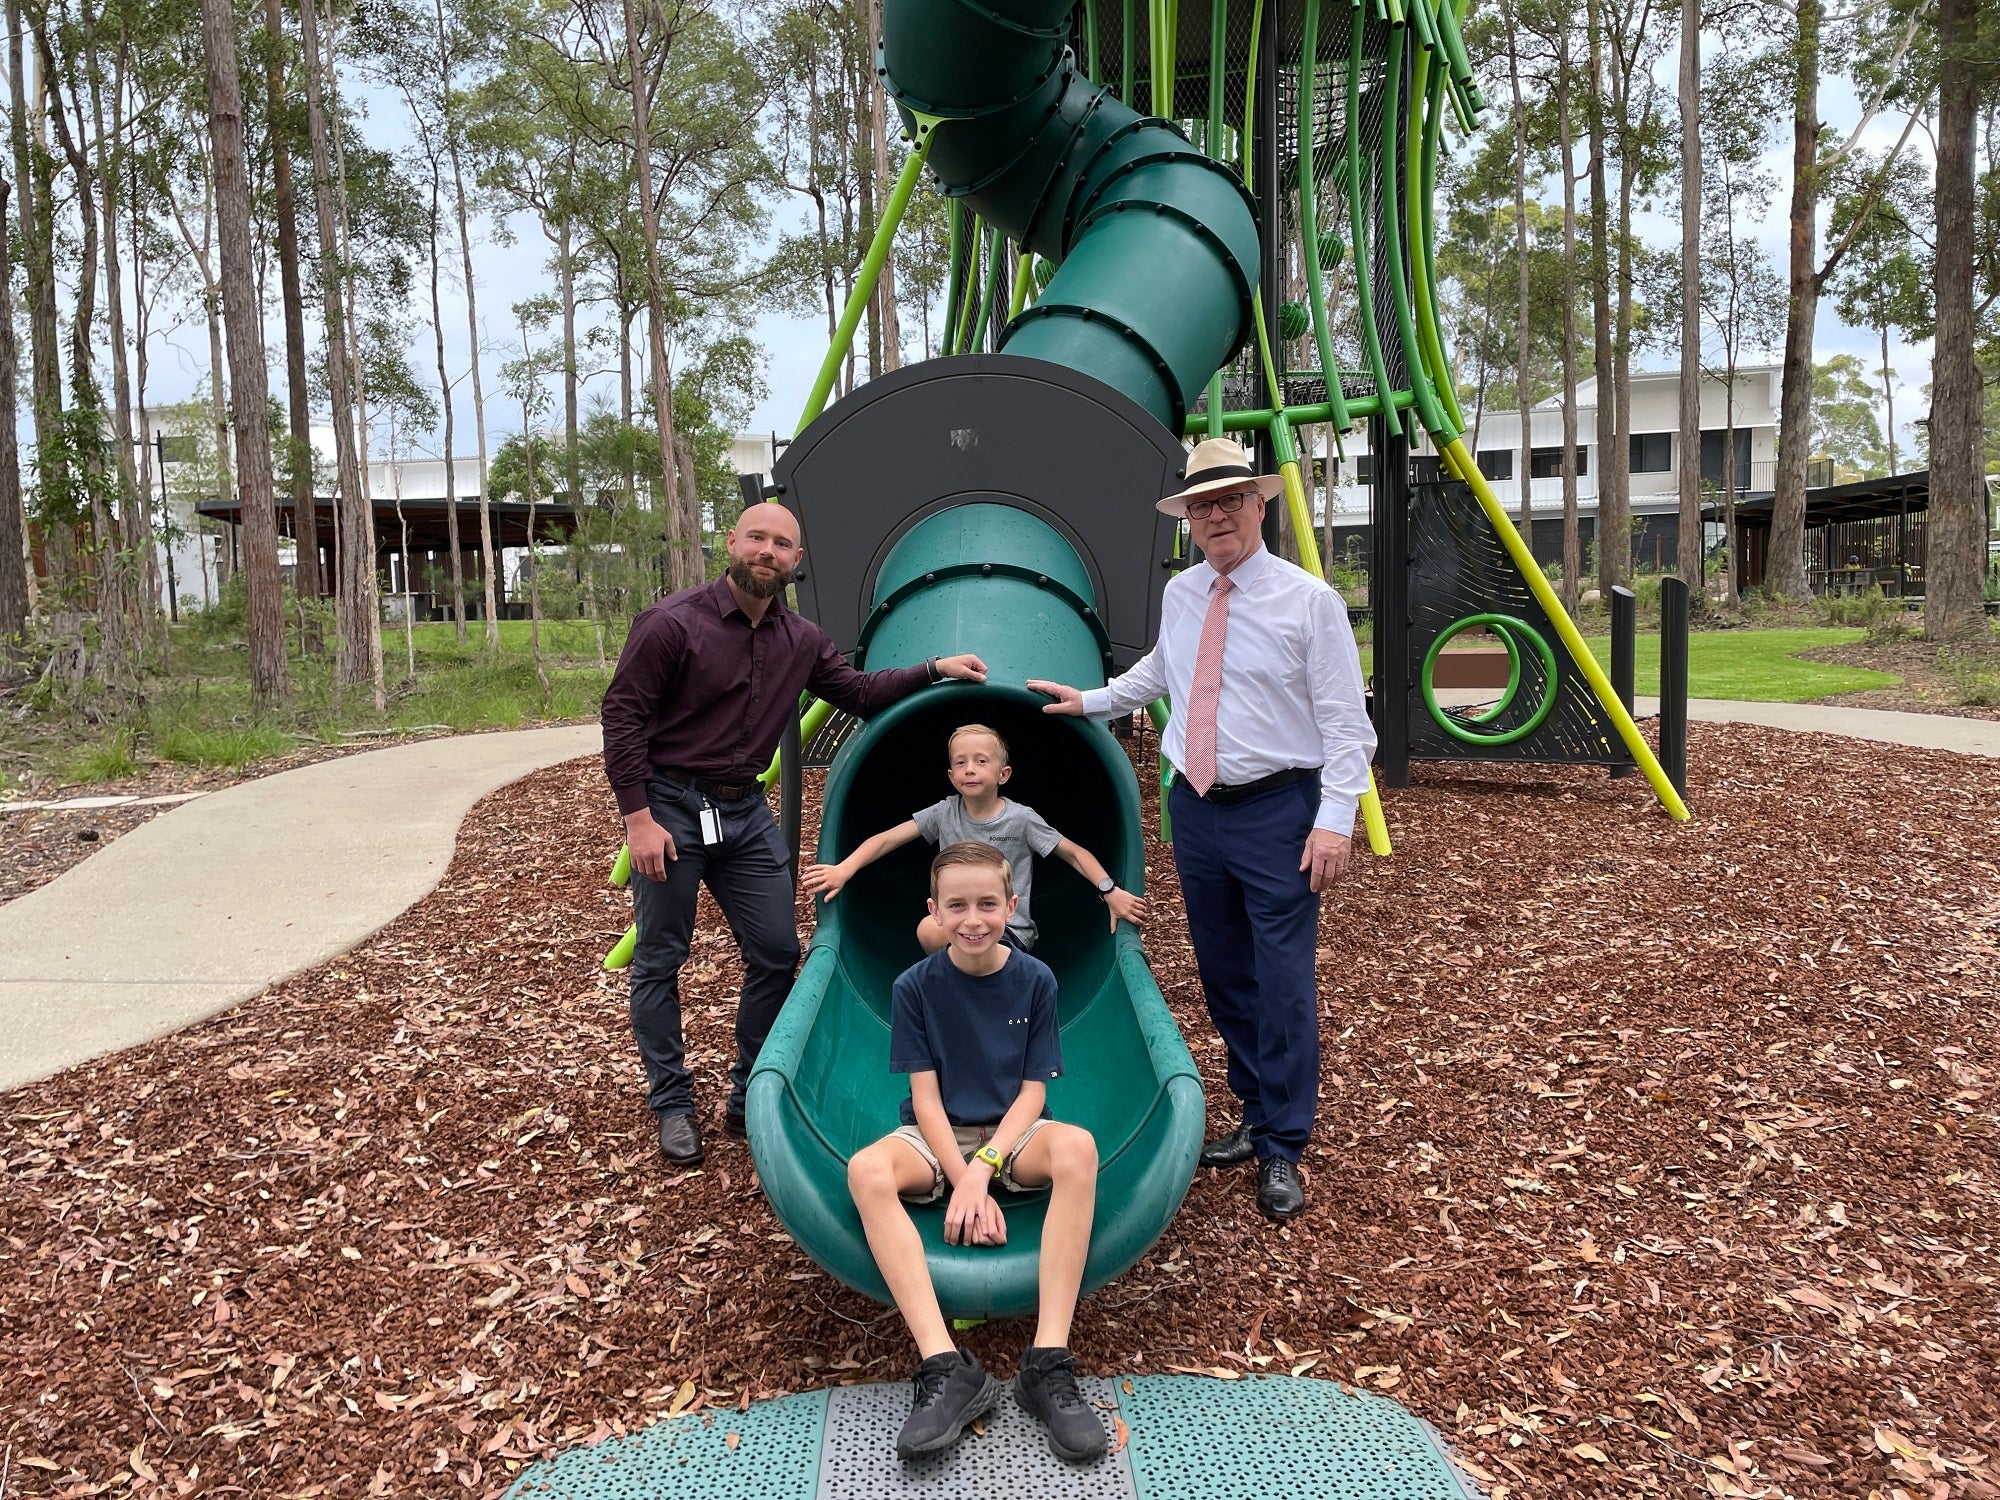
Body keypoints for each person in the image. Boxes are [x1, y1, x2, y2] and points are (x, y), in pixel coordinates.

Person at [1029, 436, 1376, 1222]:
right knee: (1225, 974)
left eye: (1229, 500)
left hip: (1279, 813)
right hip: (1198, 810)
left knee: (1282, 982)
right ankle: (1254, 1114)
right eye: (1201, 506)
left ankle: (1285, 1142)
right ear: (1188, 520)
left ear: (1260, 505)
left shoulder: (1307, 602)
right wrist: (1088, 701)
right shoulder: (1185, 593)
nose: (1215, 515)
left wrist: (1334, 822)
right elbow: (1163, 672)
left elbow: (1346, 724)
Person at [600, 502, 987, 1169]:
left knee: (778, 952)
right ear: (732, 543)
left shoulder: (800, 640)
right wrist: (638, 817)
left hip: (743, 811)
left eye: (782, 545)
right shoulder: (671, 626)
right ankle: (670, 1101)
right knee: (662, 957)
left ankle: (747, 1089)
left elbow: (860, 693)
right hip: (669, 805)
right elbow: (622, 716)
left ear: (795, 562)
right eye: (757, 538)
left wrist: (932, 669)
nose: (767, 552)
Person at [845, 842, 1106, 1465]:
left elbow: (1033, 1093)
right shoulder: (915, 986)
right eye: (956, 905)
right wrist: (963, 1177)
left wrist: (985, 1168)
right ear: (933, 912)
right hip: (941, 1137)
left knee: (1079, 1149)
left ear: (1012, 907)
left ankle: (1047, 1363)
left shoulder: (1035, 979)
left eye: (988, 904)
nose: (973, 919)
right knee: (866, 1169)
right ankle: (945, 1364)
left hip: (1013, 1135)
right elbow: (926, 1100)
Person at [799, 723, 1146, 950]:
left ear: (1003, 774)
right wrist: (844, 868)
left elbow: (1073, 853)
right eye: (961, 763)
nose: (970, 769)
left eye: (981, 761)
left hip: (1008, 932)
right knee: (927, 930)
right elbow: (887, 839)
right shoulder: (944, 813)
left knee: (978, 953)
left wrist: (1109, 890)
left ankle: (993, 991)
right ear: (951, 776)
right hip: (957, 927)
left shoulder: (1021, 819)